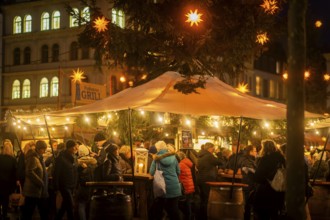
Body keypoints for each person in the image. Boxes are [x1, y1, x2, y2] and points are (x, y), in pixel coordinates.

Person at [253, 139, 285, 220]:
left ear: (264, 148)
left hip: (266, 192)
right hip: (279, 192)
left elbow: (258, 177)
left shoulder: (265, 159)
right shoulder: (282, 158)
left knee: (263, 215)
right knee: (275, 214)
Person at [149, 141, 181, 220]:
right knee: (174, 210)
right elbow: (178, 172)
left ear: (158, 149)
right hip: (174, 187)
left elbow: (151, 172)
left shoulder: (156, 158)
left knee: (158, 210)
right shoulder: (174, 157)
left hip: (162, 188)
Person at [22, 140, 49, 220]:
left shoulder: (38, 157)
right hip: (32, 190)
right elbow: (29, 171)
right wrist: (40, 182)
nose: (44, 151)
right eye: (43, 149)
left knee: (42, 211)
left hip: (38, 190)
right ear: (39, 148)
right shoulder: (33, 157)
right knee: (29, 212)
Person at [54, 139, 79, 220]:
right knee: (70, 205)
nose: (76, 149)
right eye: (75, 147)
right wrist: (56, 187)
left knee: (65, 205)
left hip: (72, 185)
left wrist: (81, 168)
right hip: (64, 185)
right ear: (70, 148)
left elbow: (74, 170)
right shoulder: (61, 158)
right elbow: (56, 173)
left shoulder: (74, 158)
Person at [196, 142, 221, 219]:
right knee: (207, 199)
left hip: (200, 179)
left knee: (202, 199)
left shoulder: (200, 155)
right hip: (207, 180)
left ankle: (200, 216)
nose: (213, 150)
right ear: (210, 148)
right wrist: (219, 153)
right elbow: (220, 162)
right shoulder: (209, 156)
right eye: (213, 148)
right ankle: (205, 216)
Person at [76, 144, 97, 220]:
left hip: (82, 186)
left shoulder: (77, 163)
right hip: (92, 185)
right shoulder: (94, 162)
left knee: (81, 204)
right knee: (89, 204)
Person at [0, 140, 17, 220]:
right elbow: (14, 173)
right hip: (7, 184)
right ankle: (4, 215)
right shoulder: (13, 160)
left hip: (0, 182)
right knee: (5, 200)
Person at [240, 145, 257, 220]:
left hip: (250, 184)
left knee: (249, 204)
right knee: (247, 204)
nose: (256, 152)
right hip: (248, 184)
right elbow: (253, 171)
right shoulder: (246, 160)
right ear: (250, 152)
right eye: (255, 151)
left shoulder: (251, 159)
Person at [177, 151, 195, 220]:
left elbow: (178, 175)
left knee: (184, 205)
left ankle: (188, 217)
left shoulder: (180, 165)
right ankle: (190, 217)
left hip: (185, 187)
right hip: (190, 187)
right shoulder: (187, 163)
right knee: (188, 204)